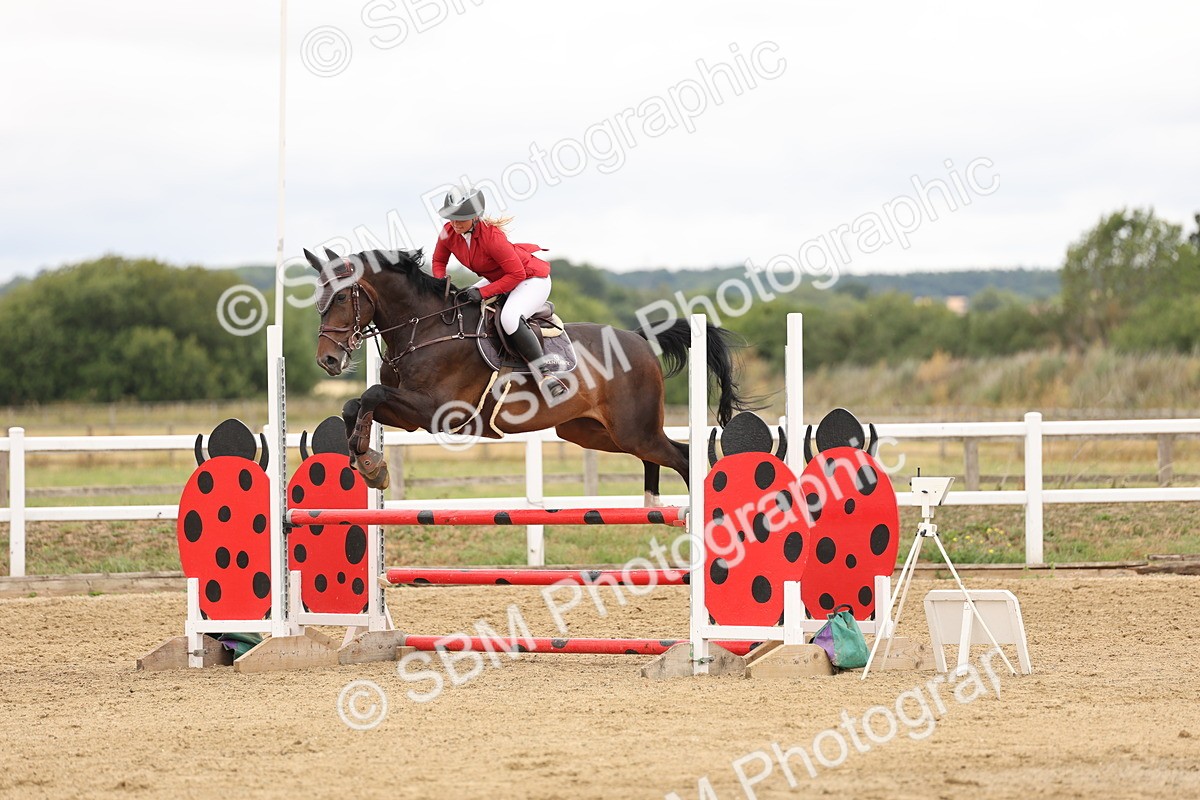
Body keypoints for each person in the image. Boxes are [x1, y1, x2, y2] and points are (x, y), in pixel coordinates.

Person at [431, 187, 567, 397]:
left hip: (531, 279)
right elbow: (439, 261)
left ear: (476, 217)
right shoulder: (448, 232)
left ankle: (545, 374)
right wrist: (441, 285)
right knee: (460, 302)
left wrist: (483, 293)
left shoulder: (492, 237)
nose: (455, 223)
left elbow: (516, 275)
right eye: (452, 217)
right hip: (501, 277)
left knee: (510, 318)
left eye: (461, 218)